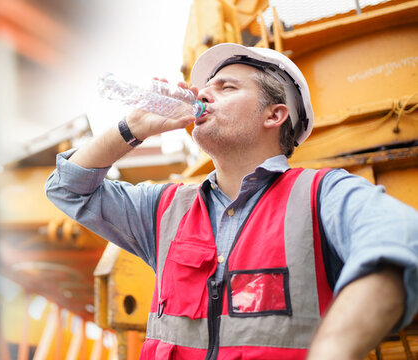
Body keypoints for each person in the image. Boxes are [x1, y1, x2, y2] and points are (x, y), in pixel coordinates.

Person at [45, 43, 418, 359]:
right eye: (206, 88)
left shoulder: (322, 195)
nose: (203, 95)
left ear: (274, 115)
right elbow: (67, 188)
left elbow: (402, 241)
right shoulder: (164, 208)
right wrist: (133, 128)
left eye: (226, 88)